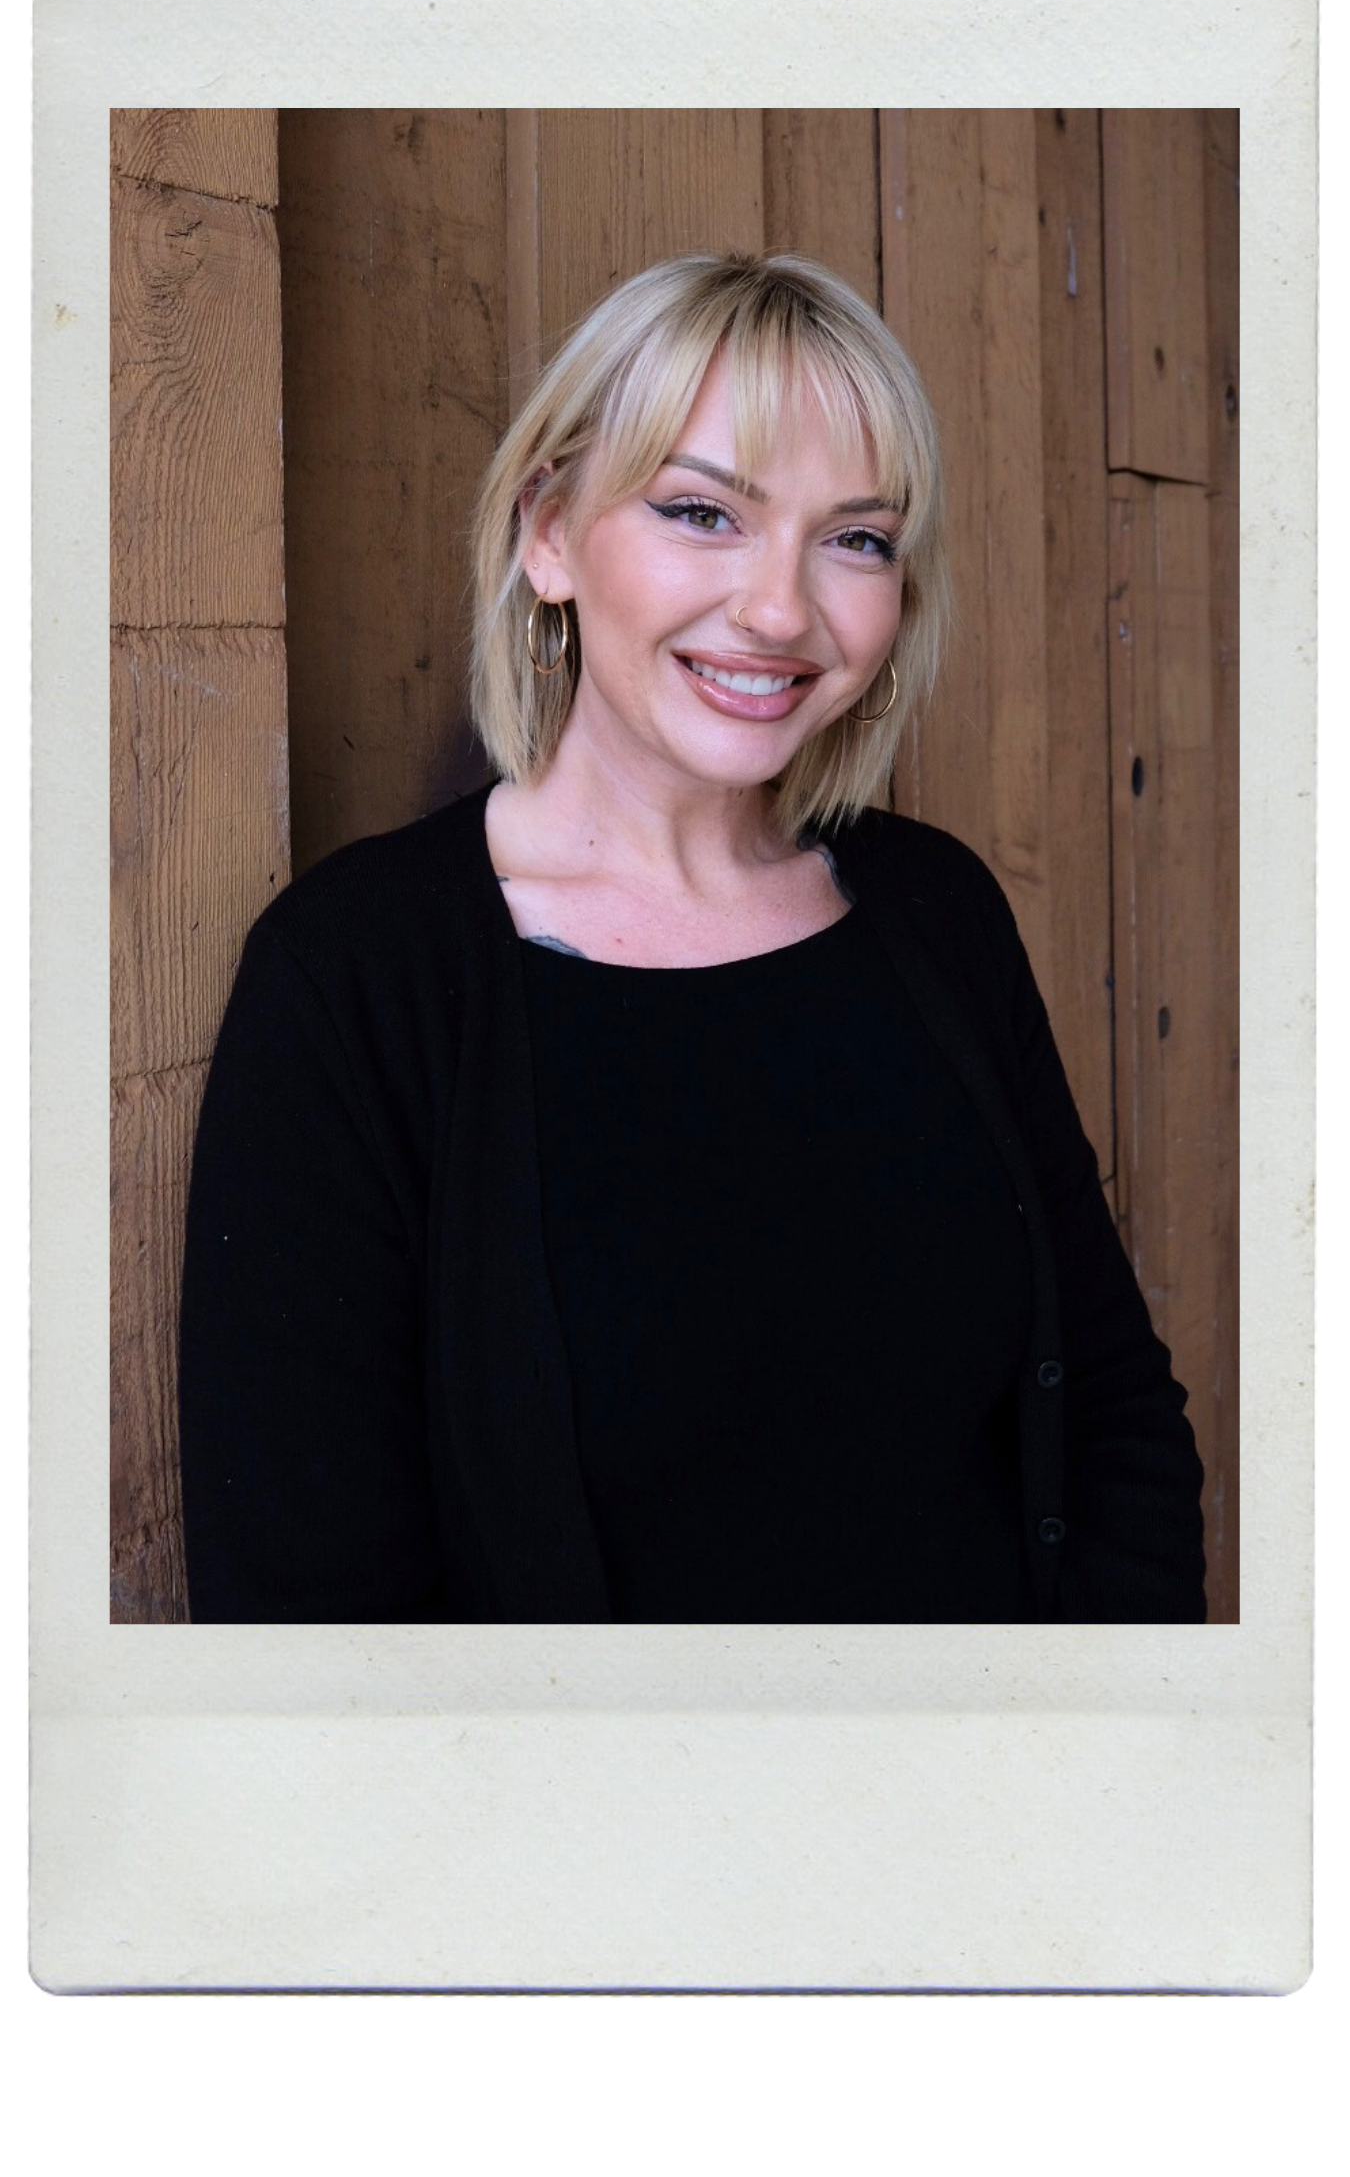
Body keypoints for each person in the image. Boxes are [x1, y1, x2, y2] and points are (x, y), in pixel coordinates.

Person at [177, 250, 1207, 1625]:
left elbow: (1112, 1412)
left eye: (854, 538)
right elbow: (309, 1611)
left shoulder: (934, 912)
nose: (781, 610)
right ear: (549, 531)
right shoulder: (357, 977)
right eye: (700, 512)